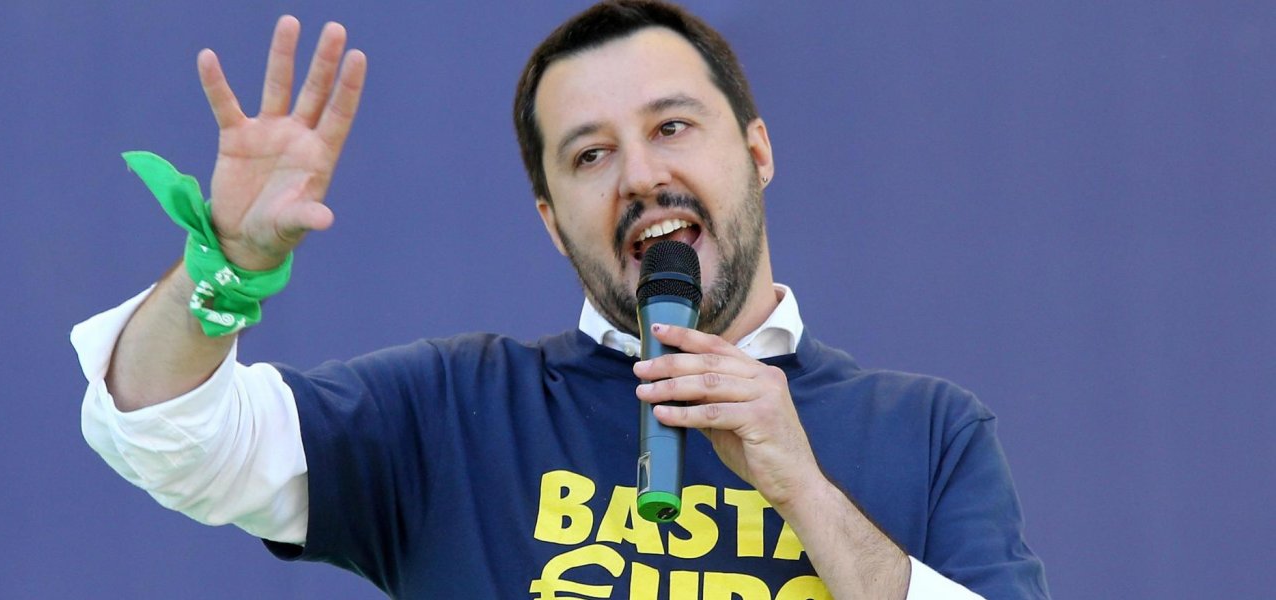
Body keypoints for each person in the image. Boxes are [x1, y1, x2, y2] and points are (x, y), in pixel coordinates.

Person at [75, 1, 1049, 598]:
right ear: (550, 219)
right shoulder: (454, 415)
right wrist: (228, 265)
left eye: (672, 127)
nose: (640, 176)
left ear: (756, 152)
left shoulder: (926, 434)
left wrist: (805, 490)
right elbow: (164, 434)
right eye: (590, 155)